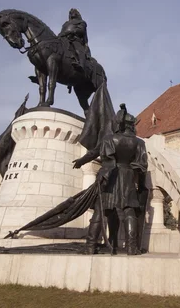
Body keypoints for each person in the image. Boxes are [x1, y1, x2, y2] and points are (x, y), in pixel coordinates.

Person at [73, 104, 148, 255]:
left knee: (100, 211)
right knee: (129, 212)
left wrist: (81, 161)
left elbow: (95, 152)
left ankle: (90, 246)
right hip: (127, 177)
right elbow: (142, 165)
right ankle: (131, 247)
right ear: (131, 125)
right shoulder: (139, 143)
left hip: (110, 176)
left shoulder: (110, 138)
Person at [58, 8, 91, 73]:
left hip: (75, 39)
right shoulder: (66, 24)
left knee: (78, 49)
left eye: (73, 12)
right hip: (64, 39)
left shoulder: (81, 22)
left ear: (77, 14)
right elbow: (62, 32)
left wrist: (72, 31)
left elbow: (81, 30)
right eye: (70, 12)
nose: (71, 13)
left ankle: (81, 65)